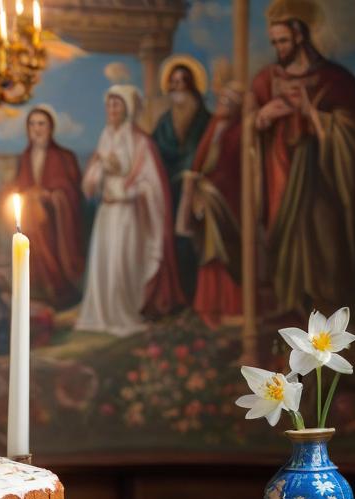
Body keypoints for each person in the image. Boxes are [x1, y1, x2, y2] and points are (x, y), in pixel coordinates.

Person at [251, 1, 355, 314]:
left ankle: (329, 306)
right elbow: (246, 128)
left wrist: (314, 116)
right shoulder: (266, 80)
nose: (278, 48)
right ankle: (289, 303)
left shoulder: (335, 79)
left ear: (300, 37)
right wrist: (262, 118)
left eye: (283, 41)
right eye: (274, 43)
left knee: (324, 237)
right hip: (280, 175)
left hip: (323, 175)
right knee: (285, 238)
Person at [77, 85, 183, 337]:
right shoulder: (105, 136)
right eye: (109, 105)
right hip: (107, 212)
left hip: (128, 213)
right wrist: (99, 171)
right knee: (104, 262)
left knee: (122, 264)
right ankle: (101, 315)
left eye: (117, 105)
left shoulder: (140, 141)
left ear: (126, 108)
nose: (111, 110)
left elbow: (151, 183)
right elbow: (91, 181)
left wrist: (128, 189)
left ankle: (123, 313)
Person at [0, 106, 85, 310]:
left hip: (54, 221)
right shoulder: (25, 157)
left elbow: (71, 190)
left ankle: (59, 290)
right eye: (32, 124)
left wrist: (53, 196)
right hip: (31, 221)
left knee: (47, 251)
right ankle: (36, 291)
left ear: (50, 128)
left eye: (41, 124)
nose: (37, 129)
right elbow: (19, 185)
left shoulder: (64, 157)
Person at [177, 83, 244, 327]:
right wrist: (195, 186)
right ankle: (208, 306)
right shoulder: (214, 128)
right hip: (206, 201)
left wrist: (209, 188)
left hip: (226, 202)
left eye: (228, 103)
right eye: (221, 101)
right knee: (207, 253)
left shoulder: (238, 132)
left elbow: (234, 171)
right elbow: (200, 162)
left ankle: (231, 306)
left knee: (224, 252)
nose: (222, 106)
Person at [152, 57, 211, 300]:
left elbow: (207, 151)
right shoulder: (165, 120)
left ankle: (196, 297)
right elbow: (153, 150)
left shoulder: (203, 119)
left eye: (182, 82)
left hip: (195, 191)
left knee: (193, 244)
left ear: (192, 86)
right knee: (172, 245)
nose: (177, 87)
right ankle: (179, 296)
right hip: (169, 190)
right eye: (173, 82)